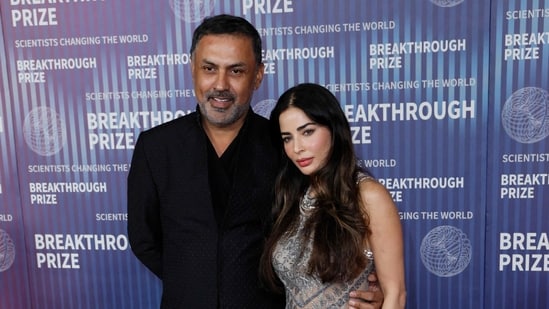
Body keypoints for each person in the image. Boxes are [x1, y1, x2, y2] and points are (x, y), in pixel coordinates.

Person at [127, 14, 383, 308]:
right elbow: (143, 238)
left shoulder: (284, 146)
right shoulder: (156, 146)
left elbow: (327, 225)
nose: (220, 84)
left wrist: (359, 286)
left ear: (258, 75)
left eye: (236, 71)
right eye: (209, 68)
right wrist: (194, 280)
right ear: (193, 70)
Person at [260, 83, 406, 308]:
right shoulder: (292, 196)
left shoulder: (368, 196)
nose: (297, 147)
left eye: (307, 132)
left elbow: (395, 294)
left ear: (334, 129)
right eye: (287, 138)